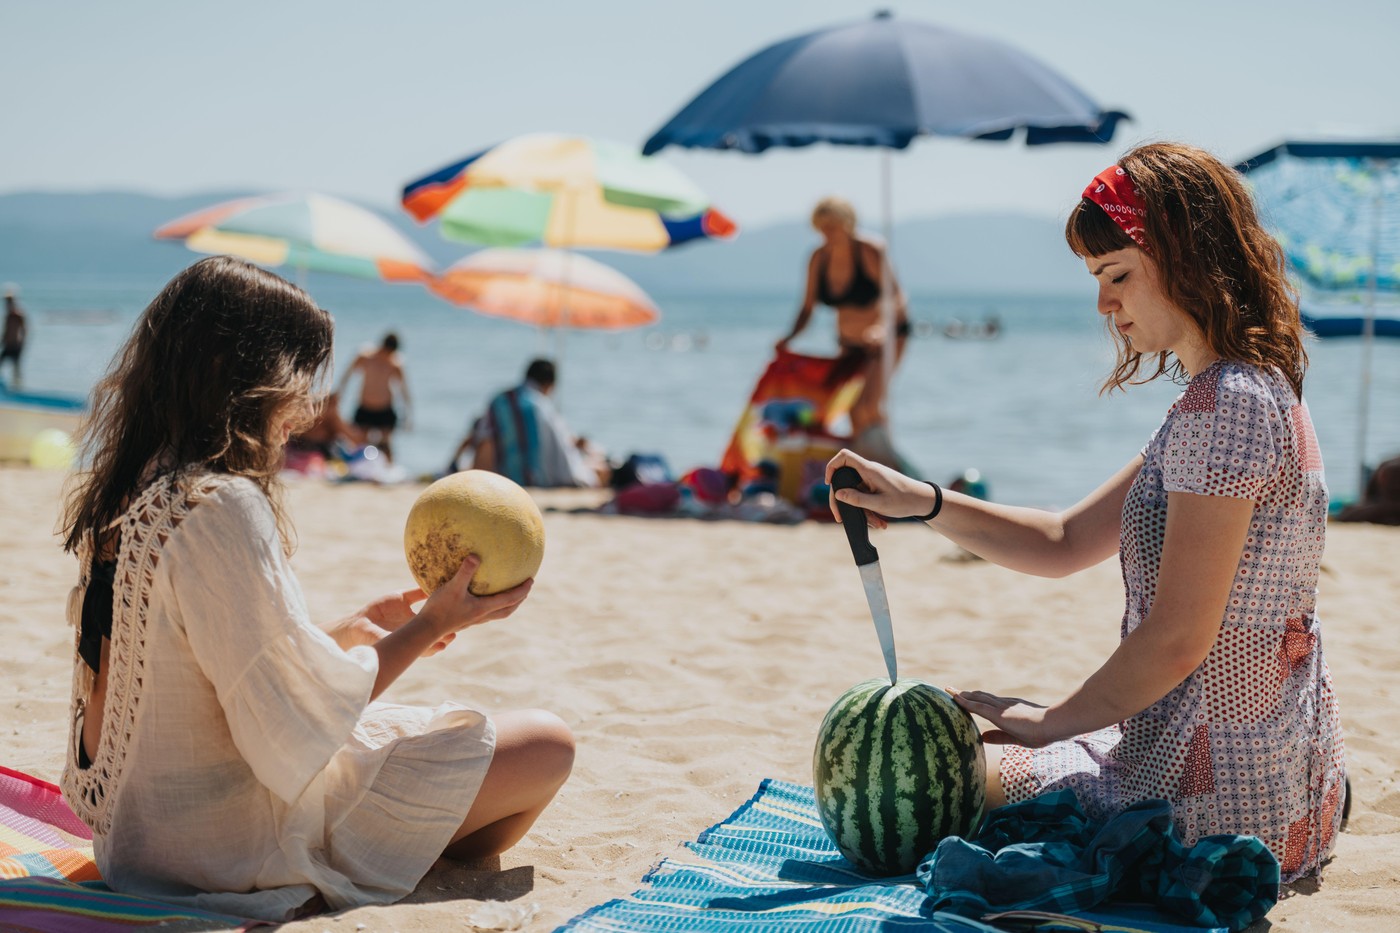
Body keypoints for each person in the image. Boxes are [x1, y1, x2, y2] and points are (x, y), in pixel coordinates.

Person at [825, 143, 1345, 883]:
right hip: (1283, 790)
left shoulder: (1219, 408)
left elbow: (1175, 639)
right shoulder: (1251, 391)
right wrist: (924, 500)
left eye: (1118, 275)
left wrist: (1052, 720)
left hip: (1201, 807)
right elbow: (1063, 539)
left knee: (957, 761)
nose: (1105, 304)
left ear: (1187, 257)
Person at [58, 257, 574, 921]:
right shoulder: (218, 505)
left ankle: (399, 849)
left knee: (463, 747)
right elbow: (295, 735)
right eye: (297, 381)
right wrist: (426, 626)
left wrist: (350, 627)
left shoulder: (135, 490)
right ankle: (388, 862)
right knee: (547, 744)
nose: (306, 410)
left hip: (135, 841)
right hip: (219, 850)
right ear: (239, 377)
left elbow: (182, 673)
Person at [775, 197, 910, 445]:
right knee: (850, 408)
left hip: (887, 337)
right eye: (823, 228)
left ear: (848, 224)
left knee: (866, 404)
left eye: (833, 226)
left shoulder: (870, 250)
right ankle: (868, 461)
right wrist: (790, 337)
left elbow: (896, 297)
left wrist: (880, 328)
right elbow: (807, 307)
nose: (828, 233)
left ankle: (887, 461)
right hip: (849, 342)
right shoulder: (819, 258)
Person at [468, 358, 601, 488]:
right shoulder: (542, 406)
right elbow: (563, 452)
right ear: (549, 385)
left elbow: (483, 438)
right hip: (537, 480)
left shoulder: (500, 399)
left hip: (499, 478)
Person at [336, 332, 411, 462]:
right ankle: (358, 468)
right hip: (365, 406)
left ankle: (390, 470)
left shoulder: (395, 363)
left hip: (385, 408)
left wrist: (408, 414)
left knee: (386, 443)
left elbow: (404, 390)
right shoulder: (365, 356)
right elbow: (347, 375)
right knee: (359, 442)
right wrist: (340, 393)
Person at [2, 284, 28, 389]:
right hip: (8, 344)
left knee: (16, 368)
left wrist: (21, 342)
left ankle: (17, 388)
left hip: (15, 344)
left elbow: (25, 329)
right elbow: (6, 331)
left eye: (9, 301)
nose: (7, 303)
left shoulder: (18, 314)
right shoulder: (8, 315)